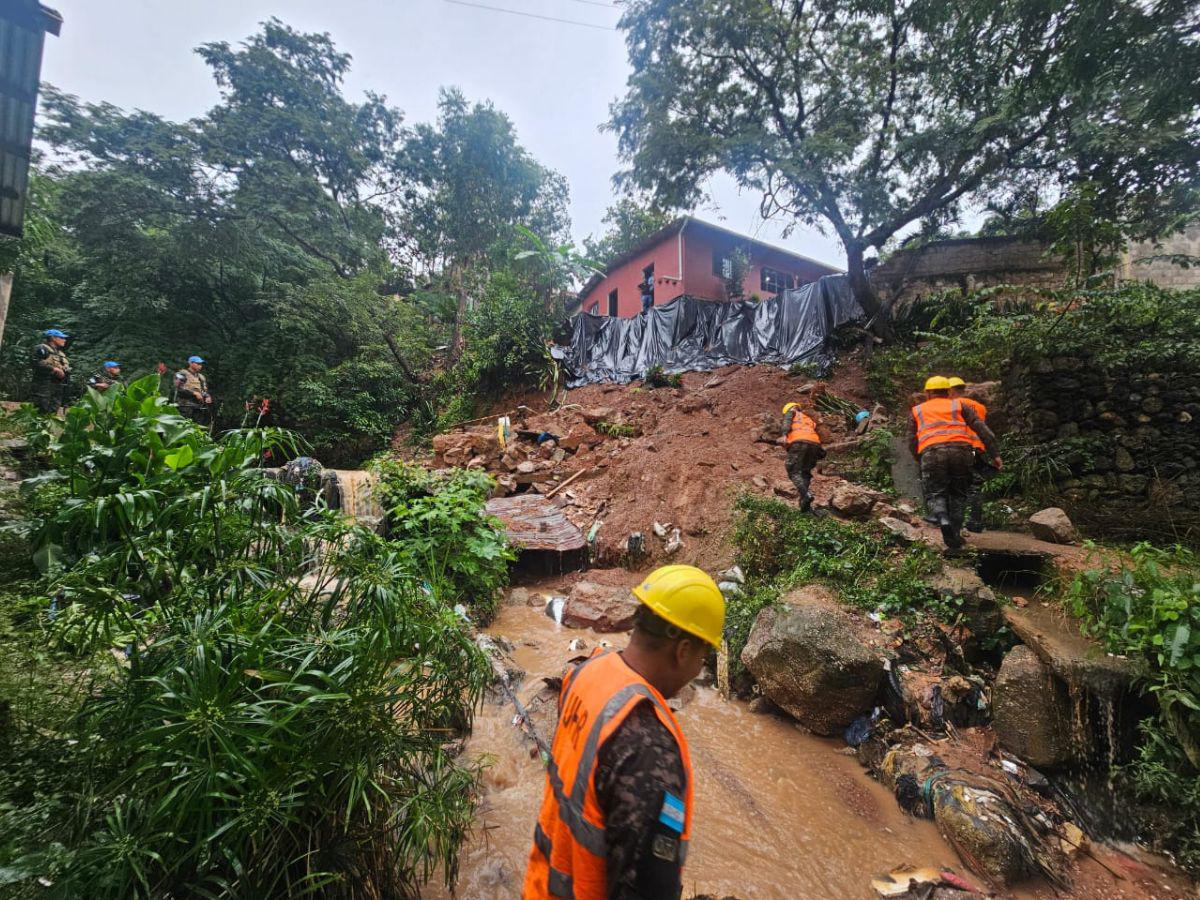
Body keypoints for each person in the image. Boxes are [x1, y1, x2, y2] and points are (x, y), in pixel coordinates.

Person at [524, 564, 725, 900]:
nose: (697, 668)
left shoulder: (585, 672)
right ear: (683, 651)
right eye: (702, 657)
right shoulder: (649, 746)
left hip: (539, 885)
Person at [909, 376, 1001, 552]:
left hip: (932, 453)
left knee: (936, 493)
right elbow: (984, 431)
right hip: (964, 452)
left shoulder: (917, 410)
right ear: (948, 391)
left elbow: (911, 440)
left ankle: (942, 517)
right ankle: (955, 536)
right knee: (959, 494)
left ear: (927, 393)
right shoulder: (960, 406)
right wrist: (995, 455)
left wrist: (918, 458)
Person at [947, 376, 992, 532]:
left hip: (960, 449)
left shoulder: (952, 405)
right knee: (975, 486)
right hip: (978, 449)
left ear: (951, 390)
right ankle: (976, 522)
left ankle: (953, 523)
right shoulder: (980, 406)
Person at [781, 401, 825, 511]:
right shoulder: (808, 419)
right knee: (805, 473)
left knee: (792, 470)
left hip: (799, 442)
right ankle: (804, 503)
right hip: (814, 445)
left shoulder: (791, 413)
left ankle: (806, 494)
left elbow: (787, 422)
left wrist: (784, 435)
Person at [29, 328, 71, 414]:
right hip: (43, 385)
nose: (64, 340)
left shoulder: (60, 354)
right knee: (41, 409)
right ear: (53, 338)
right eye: (61, 337)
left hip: (57, 386)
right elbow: (35, 362)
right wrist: (54, 369)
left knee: (53, 410)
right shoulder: (42, 348)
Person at [174, 355, 213, 424]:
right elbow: (179, 389)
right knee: (183, 426)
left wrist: (207, 396)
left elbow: (203, 390)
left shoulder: (201, 377)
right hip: (184, 406)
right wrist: (194, 393)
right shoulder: (182, 374)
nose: (200, 366)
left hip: (198, 407)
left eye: (201, 364)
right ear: (190, 363)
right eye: (197, 364)